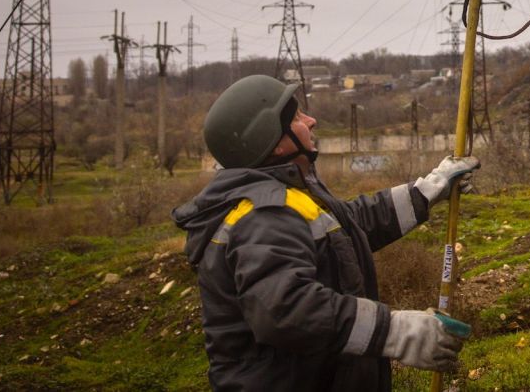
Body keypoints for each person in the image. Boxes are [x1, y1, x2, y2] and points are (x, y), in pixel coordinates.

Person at [173, 75, 481, 390]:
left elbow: (351, 224)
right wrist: (395, 331)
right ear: (274, 141)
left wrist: (427, 191)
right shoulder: (263, 215)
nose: (311, 120)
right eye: (295, 117)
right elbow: (288, 309)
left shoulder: (287, 197)